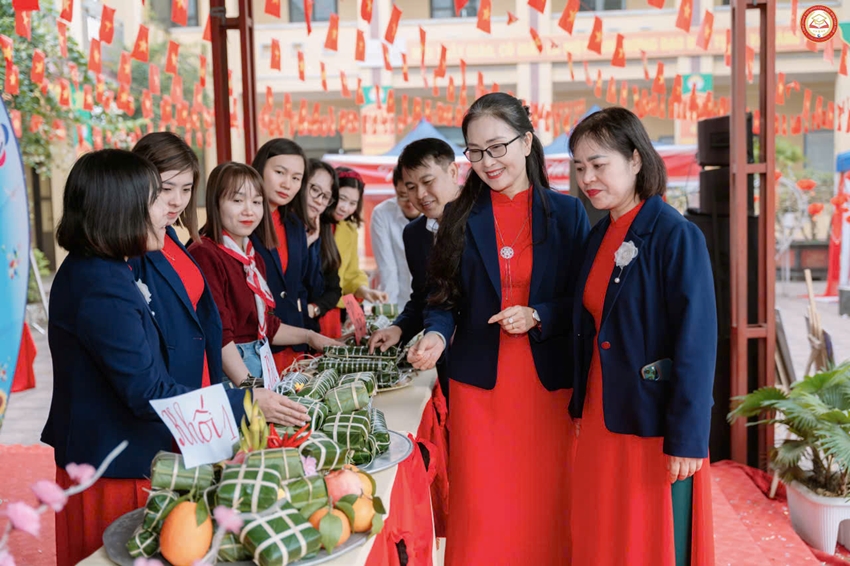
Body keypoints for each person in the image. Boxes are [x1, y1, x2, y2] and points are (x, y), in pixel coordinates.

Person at [406, 93, 590, 564]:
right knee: (483, 507)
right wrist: (435, 335)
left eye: (497, 147)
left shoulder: (568, 214)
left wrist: (539, 314)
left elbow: (584, 302)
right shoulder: (459, 217)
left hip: (545, 387)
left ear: (526, 142)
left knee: (547, 502)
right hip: (480, 388)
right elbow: (442, 299)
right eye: (475, 151)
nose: (487, 162)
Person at [42, 150, 248, 566]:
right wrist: (246, 402)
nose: (170, 208)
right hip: (113, 468)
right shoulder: (101, 284)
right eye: (157, 197)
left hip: (123, 455)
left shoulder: (108, 268)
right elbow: (146, 390)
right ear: (120, 209)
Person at [567, 107, 716, 566]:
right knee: (603, 533)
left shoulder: (676, 235)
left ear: (635, 160)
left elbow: (696, 343)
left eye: (599, 164)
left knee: (648, 540)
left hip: (651, 422)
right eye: (579, 167)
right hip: (601, 413)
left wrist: (688, 438)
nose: (587, 179)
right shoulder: (599, 235)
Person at [189, 162, 340, 401]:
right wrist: (253, 389)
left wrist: (311, 337)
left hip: (258, 366)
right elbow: (219, 335)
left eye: (257, 202)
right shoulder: (205, 253)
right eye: (237, 200)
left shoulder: (252, 256)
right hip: (233, 375)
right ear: (215, 203)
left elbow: (267, 326)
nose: (249, 211)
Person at [368, 138, 461, 401]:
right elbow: (425, 295)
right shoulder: (415, 234)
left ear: (453, 172)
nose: (420, 194)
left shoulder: (484, 219)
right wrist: (399, 329)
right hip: (447, 363)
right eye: (411, 187)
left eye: (428, 181)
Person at [251, 139, 325, 371]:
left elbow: (301, 287)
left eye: (296, 178)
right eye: (280, 172)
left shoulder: (295, 225)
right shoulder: (245, 222)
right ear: (260, 168)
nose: (287, 184)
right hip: (255, 347)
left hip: (293, 345)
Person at [329, 167, 388, 323]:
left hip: (337, 307)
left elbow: (351, 273)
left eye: (352, 203)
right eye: (342, 198)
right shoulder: (313, 226)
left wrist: (364, 291)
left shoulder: (349, 230)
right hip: (315, 306)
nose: (345, 207)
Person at [299, 159, 343, 336]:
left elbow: (334, 289)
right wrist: (305, 246)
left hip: (309, 330)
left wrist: (314, 309)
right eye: (315, 190)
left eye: (325, 196)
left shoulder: (322, 231)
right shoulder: (282, 228)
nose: (318, 201)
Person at [369, 164, 421, 308]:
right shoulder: (382, 214)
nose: (410, 202)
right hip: (399, 301)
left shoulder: (435, 213)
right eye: (402, 196)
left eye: (413, 193)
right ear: (395, 189)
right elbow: (387, 267)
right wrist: (389, 311)